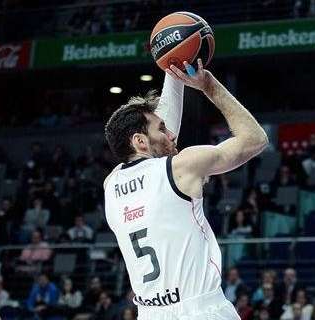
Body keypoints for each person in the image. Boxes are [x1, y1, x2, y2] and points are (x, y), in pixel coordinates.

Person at [103, 59, 268, 320]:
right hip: (200, 311)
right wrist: (209, 86)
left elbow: (158, 144)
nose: (171, 134)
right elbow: (255, 139)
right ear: (140, 141)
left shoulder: (111, 185)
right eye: (162, 128)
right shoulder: (181, 167)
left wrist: (173, 70)